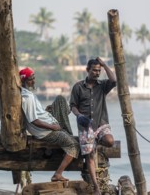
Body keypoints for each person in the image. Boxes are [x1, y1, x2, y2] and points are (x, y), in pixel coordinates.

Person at [19, 67, 80, 182]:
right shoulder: (27, 97)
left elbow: (36, 113)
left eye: (34, 78)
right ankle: (57, 174)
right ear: (23, 81)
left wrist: (45, 111)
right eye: (30, 79)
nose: (33, 81)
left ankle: (64, 133)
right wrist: (53, 127)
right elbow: (34, 121)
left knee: (60, 99)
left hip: (48, 120)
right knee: (74, 145)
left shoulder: (28, 94)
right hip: (45, 131)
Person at [70, 57, 116, 195]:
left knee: (110, 141)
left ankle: (95, 142)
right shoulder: (78, 87)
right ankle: (96, 187)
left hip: (101, 123)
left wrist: (104, 64)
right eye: (94, 70)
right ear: (87, 70)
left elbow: (114, 80)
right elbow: (72, 106)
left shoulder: (102, 85)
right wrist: (79, 115)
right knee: (89, 156)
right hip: (85, 126)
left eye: (99, 71)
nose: (97, 73)